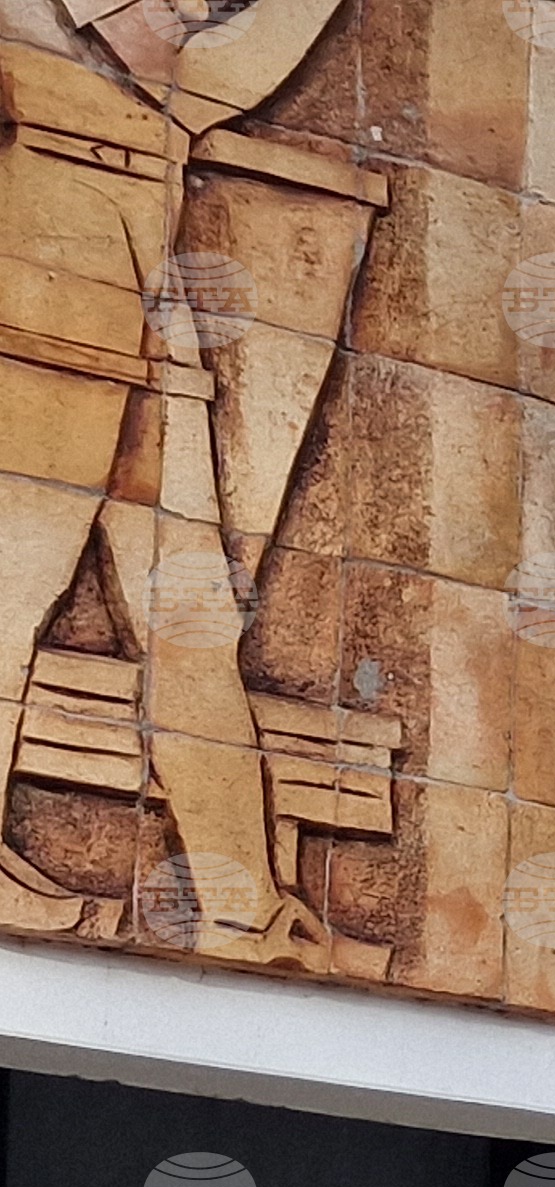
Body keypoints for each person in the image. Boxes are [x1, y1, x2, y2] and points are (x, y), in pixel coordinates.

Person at [0, 0, 360, 965]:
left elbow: (221, 66)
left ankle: (243, 909)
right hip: (44, 295)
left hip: (154, 313)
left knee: (194, 627)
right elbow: (172, 56)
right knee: (10, 598)